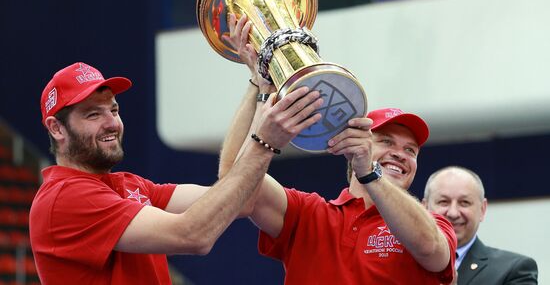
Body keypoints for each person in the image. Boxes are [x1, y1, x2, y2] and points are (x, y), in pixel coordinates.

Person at [29, 61, 323, 285]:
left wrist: (258, 88)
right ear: (56, 128)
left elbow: (242, 200)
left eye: (114, 110)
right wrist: (264, 143)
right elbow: (192, 235)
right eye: (93, 114)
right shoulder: (66, 197)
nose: (111, 123)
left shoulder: (127, 185)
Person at [218, 14, 457, 284]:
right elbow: (233, 182)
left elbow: (429, 247)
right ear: (354, 142)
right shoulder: (308, 214)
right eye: (386, 141)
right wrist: (257, 85)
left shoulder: (435, 223)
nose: (400, 154)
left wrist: (370, 173)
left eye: (411, 150)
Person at [423, 166, 538, 284]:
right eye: (444, 202)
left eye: (464, 203)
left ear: (482, 209)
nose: (453, 213)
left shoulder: (514, 270)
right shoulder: (404, 262)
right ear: (424, 208)